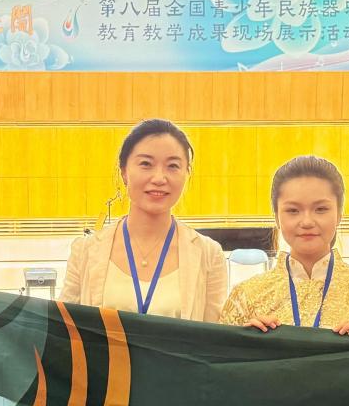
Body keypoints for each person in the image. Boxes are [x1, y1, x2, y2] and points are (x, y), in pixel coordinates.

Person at [220, 156, 349, 336]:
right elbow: (221, 356)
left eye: (321, 209)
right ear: (277, 216)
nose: (307, 222)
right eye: (293, 210)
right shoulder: (245, 296)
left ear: (339, 214)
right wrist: (248, 344)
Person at [60, 119, 225, 321]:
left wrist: (252, 331)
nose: (159, 178)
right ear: (124, 172)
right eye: (146, 164)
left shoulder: (209, 255)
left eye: (173, 166)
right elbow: (62, 329)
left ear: (186, 173)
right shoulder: (85, 252)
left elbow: (218, 333)